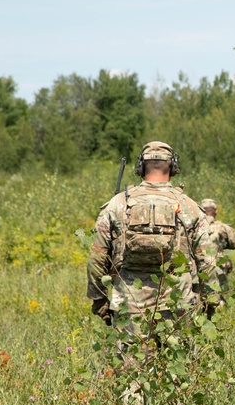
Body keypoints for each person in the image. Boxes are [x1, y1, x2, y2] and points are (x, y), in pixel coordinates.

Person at [87, 141, 222, 337]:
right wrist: (210, 301)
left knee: (130, 365)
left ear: (140, 167)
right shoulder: (188, 206)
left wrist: (99, 300)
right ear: (173, 166)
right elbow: (207, 260)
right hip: (178, 301)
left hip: (129, 303)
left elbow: (96, 257)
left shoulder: (118, 204)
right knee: (179, 364)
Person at [200, 198, 235, 274]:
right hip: (218, 266)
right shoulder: (223, 228)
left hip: (199, 265)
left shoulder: (193, 227)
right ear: (216, 212)